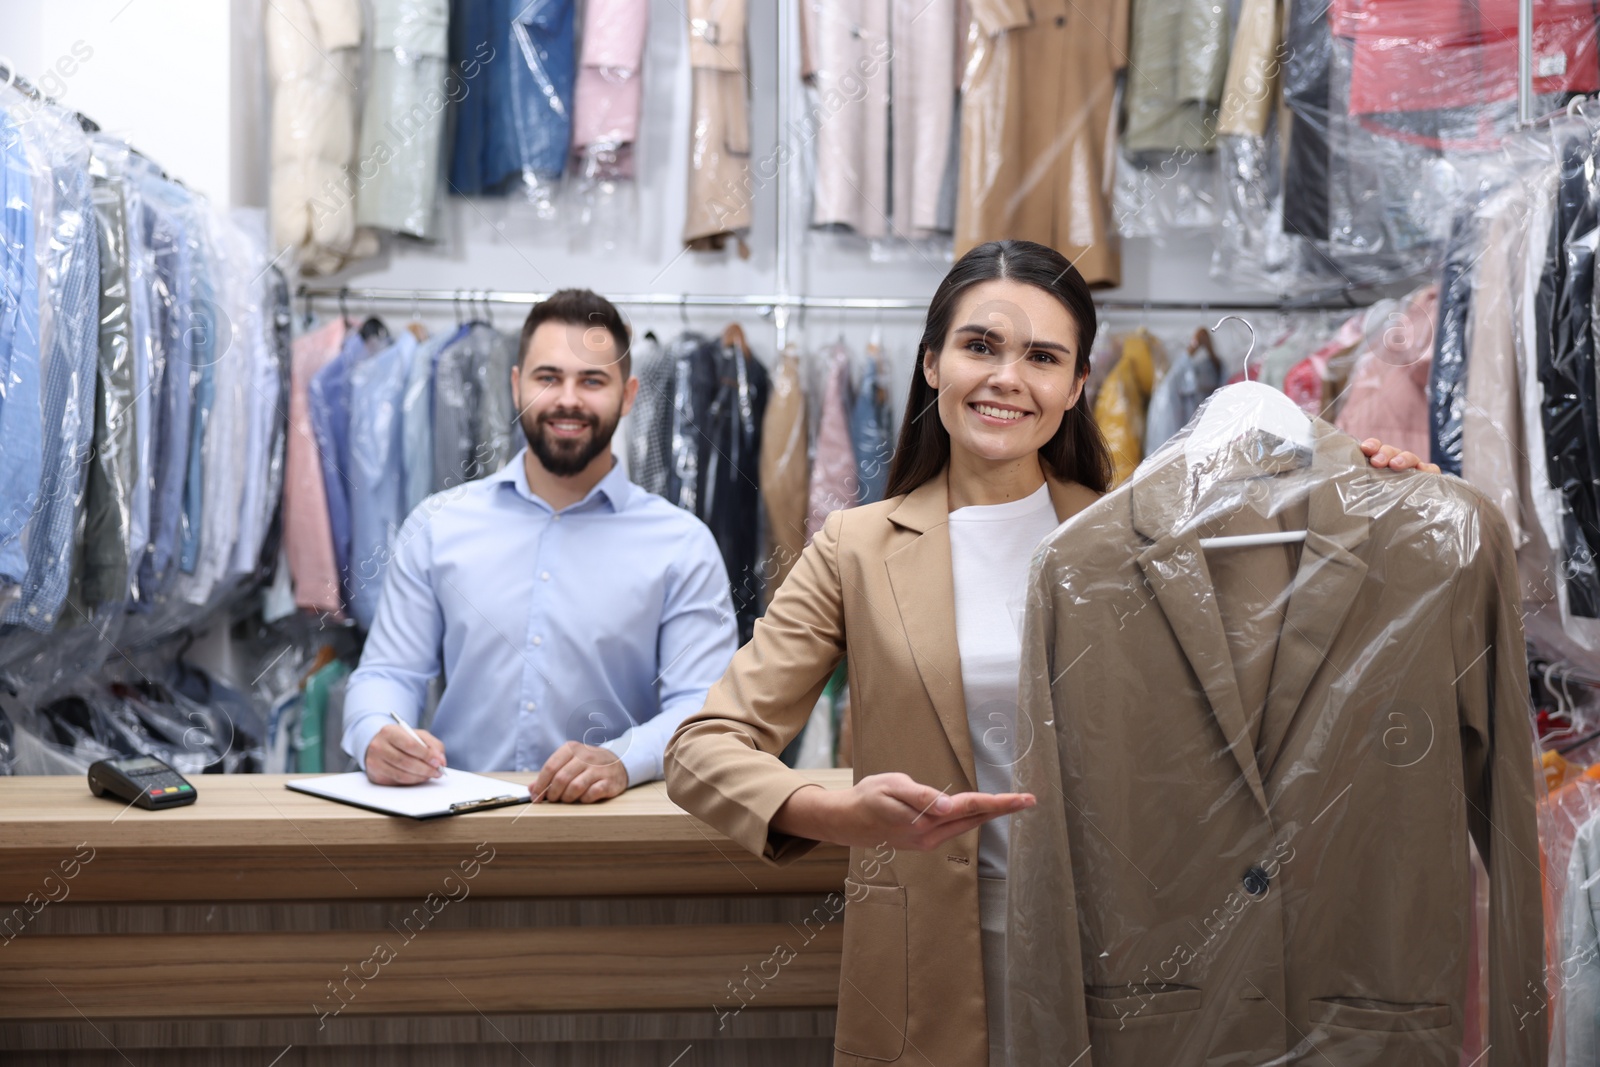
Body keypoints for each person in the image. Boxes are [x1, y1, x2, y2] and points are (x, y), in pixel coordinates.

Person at [664, 240, 1438, 1067]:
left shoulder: (1147, 535)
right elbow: (701, 750)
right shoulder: (855, 548)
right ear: (932, 364)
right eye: (980, 347)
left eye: (1041, 357)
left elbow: (1287, 685)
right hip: (924, 964)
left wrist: (1375, 501)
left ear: (1075, 387)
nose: (1006, 378)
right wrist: (838, 812)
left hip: (1118, 955)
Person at [342, 289, 738, 802]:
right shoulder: (437, 526)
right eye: (548, 377)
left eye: (592, 380)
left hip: (613, 833)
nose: (567, 399)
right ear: (515, 386)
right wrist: (376, 731)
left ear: (628, 395)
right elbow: (388, 672)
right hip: (453, 825)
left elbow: (702, 709)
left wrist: (623, 758)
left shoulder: (683, 546)